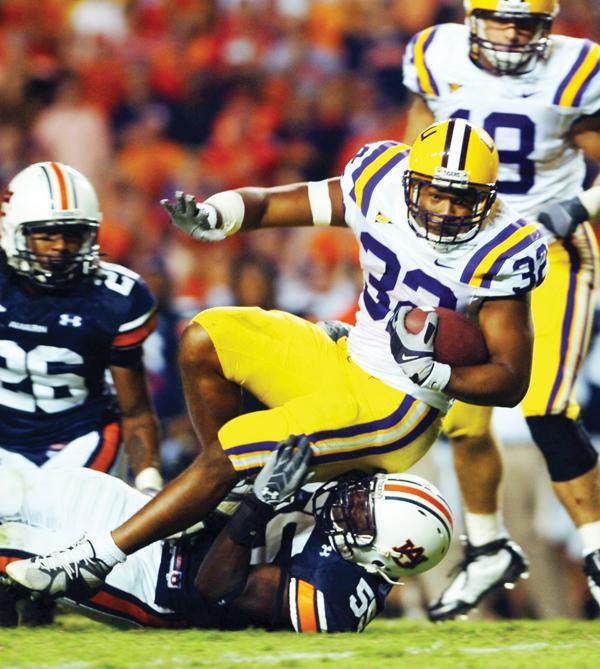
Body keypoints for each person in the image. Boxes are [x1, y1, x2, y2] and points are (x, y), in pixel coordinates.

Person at [5, 118, 547, 599]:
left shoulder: (502, 249)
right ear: (410, 182)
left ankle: (89, 561)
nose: (448, 211)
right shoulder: (378, 178)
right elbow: (277, 202)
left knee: (232, 451)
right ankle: (224, 498)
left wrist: (437, 372)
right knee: (206, 337)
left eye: (463, 199)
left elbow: (510, 379)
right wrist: (221, 214)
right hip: (347, 356)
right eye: (434, 194)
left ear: (488, 198)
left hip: (399, 403)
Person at [402, 0, 600, 619]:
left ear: (549, 26)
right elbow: (417, 145)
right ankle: (486, 545)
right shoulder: (434, 53)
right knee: (460, 411)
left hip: (555, 250)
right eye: (502, 19)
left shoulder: (577, 68)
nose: (515, 35)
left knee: (545, 406)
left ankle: (596, 551)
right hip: (469, 252)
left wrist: (582, 206)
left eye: (529, 23)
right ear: (472, 17)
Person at [0, 437, 454, 632]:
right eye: (362, 495)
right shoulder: (354, 520)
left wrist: (258, 504)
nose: (347, 500)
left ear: (378, 556)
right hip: (161, 524)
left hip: (161, 584)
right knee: (21, 488)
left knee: (10, 547)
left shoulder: (334, 599)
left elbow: (214, 588)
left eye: (360, 514)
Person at [0, 162, 163, 621]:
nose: (60, 247)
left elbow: (135, 407)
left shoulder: (115, 296)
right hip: (4, 434)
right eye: (46, 235)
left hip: (78, 433)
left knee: (50, 528)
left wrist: (148, 479)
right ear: (15, 231)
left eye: (73, 234)